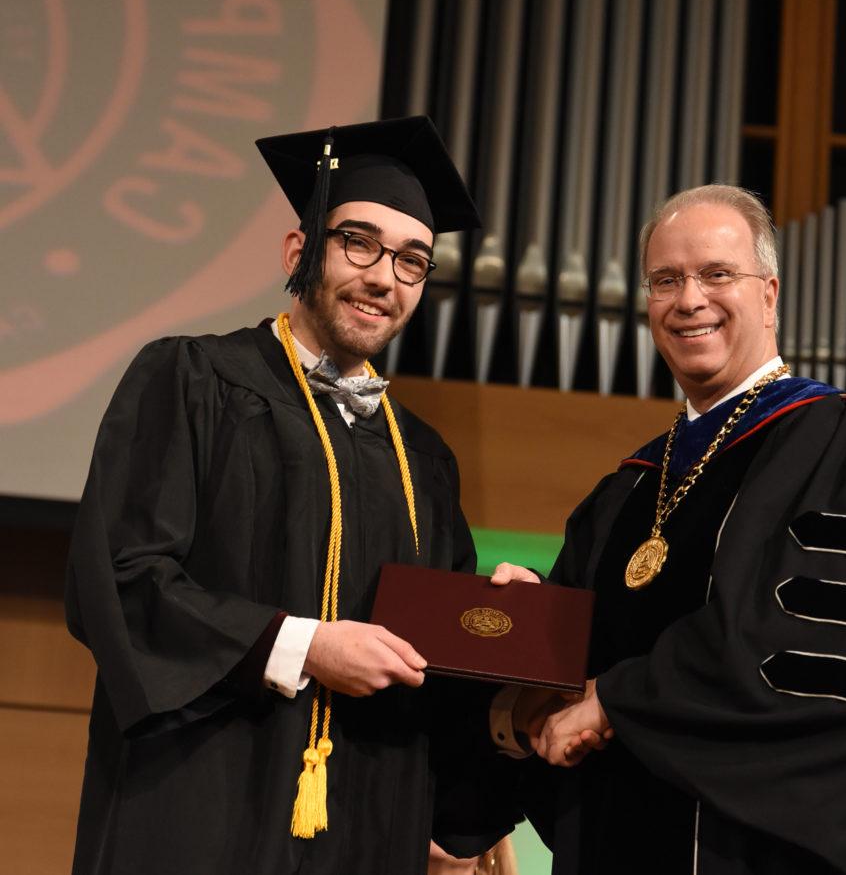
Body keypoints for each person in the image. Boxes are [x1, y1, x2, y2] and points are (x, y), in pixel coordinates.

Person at [65, 116, 513, 875]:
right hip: (198, 810)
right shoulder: (191, 381)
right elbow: (120, 577)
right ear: (299, 250)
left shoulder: (423, 462)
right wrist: (304, 646)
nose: (384, 277)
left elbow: (434, 665)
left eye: (413, 261)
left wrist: (501, 628)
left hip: (365, 829)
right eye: (359, 243)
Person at [495, 185, 846, 873]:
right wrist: (525, 640)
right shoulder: (630, 488)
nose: (689, 300)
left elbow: (817, 655)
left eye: (716, 274)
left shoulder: (839, 440)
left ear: (768, 293)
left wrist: (615, 703)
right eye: (665, 280)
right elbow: (567, 672)